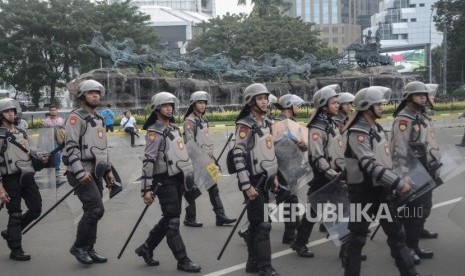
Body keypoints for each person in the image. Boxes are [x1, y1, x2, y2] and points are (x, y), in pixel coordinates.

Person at [342, 86, 420, 276]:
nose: (381, 107)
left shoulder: (374, 128)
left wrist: (399, 177)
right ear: (367, 106)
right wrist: (398, 183)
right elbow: (370, 165)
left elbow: (385, 160)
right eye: (378, 104)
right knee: (357, 239)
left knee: (397, 235)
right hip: (363, 194)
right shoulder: (357, 132)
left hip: (382, 192)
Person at [135, 92, 201, 273]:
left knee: (169, 217)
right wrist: (146, 189)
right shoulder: (154, 132)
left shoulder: (174, 128)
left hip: (178, 179)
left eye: (171, 105)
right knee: (172, 222)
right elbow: (148, 160)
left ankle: (147, 247)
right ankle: (183, 260)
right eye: (165, 106)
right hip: (163, 181)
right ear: (157, 109)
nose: (169, 108)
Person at [62, 79, 115, 265]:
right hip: (80, 172)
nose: (95, 95)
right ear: (83, 96)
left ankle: (89, 248)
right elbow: (71, 146)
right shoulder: (76, 117)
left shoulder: (99, 119)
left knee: (93, 211)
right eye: (91, 92)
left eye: (97, 93)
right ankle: (79, 247)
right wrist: (79, 172)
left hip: (97, 171)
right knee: (95, 208)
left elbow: (102, 148)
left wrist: (108, 170)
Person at [390, 81, 441, 263]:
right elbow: (399, 151)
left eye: (425, 95)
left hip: (426, 169)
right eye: (419, 95)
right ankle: (410, 248)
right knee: (416, 211)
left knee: (423, 208)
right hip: (413, 173)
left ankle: (414, 237)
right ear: (408, 98)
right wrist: (403, 177)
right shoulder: (404, 120)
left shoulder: (422, 116)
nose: (424, 98)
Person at [232, 83, 279, 276]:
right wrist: (246, 185)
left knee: (256, 223)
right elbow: (238, 154)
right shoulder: (245, 125)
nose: (265, 102)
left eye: (266, 98)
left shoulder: (267, 123)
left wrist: (273, 177)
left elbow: (269, 152)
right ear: (251, 102)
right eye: (260, 99)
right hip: (252, 180)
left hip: (265, 178)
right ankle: (265, 268)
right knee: (263, 225)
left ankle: (252, 263)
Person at [291, 85, 342, 258]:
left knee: (341, 209)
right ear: (323, 106)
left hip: (334, 174)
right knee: (314, 211)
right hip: (323, 177)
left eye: (337, 102)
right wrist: (332, 174)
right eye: (334, 103)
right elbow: (317, 157)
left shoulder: (331, 123)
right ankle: (299, 243)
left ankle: (347, 247)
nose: (338, 105)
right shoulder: (317, 128)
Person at [0, 98, 45, 261]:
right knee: (15, 214)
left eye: (12, 110)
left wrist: (39, 159)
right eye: (7, 111)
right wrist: (1, 189)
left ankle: (11, 233)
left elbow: (28, 152)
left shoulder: (21, 132)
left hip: (27, 176)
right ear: (1, 114)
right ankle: (15, 249)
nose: (11, 113)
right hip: (10, 178)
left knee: (36, 208)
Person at [182, 91, 236, 227]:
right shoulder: (189, 121)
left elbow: (205, 142)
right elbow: (190, 144)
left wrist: (213, 160)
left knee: (213, 188)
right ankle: (190, 218)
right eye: (200, 103)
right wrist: (200, 160)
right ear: (193, 104)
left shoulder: (204, 120)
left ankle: (220, 216)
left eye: (204, 103)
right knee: (192, 190)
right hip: (196, 162)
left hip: (207, 160)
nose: (202, 105)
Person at [273, 94, 306, 244]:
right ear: (289, 106)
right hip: (282, 168)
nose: (298, 108)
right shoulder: (278, 123)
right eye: (296, 105)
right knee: (282, 199)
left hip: (292, 166)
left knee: (290, 199)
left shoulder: (291, 122)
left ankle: (292, 230)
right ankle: (249, 229)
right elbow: (278, 145)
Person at [43, 105, 65, 180]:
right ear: (49, 111)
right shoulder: (46, 121)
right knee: (56, 154)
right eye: (51, 110)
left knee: (58, 155)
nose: (53, 111)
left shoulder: (61, 120)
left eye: (54, 110)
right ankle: (56, 170)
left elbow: (64, 129)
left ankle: (53, 170)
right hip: (51, 140)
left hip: (60, 140)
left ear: (57, 111)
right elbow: (44, 132)